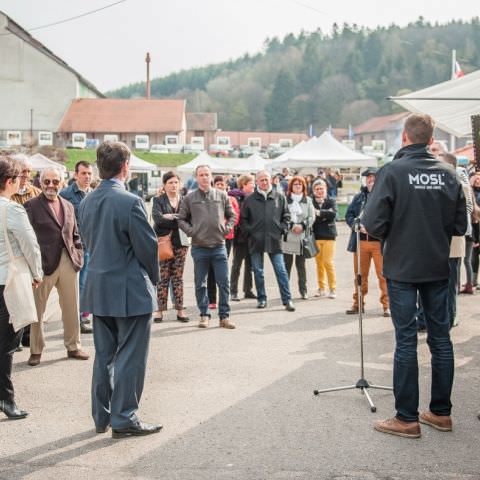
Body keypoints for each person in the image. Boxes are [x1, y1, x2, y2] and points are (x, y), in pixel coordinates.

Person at [363, 113, 467, 439]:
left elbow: (372, 224)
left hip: (403, 268)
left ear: (405, 137)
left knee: (406, 341)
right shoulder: (450, 174)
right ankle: (440, 413)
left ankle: (406, 418)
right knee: (441, 339)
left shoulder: (393, 172)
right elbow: (460, 226)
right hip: (438, 266)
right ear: (431, 139)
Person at [78, 141, 162, 438]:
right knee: (130, 356)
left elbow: (89, 242)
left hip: (99, 287)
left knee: (104, 355)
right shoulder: (129, 201)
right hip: (129, 288)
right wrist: (153, 280)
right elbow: (147, 248)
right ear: (125, 166)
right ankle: (124, 417)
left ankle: (102, 416)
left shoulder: (87, 201)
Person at [25, 168, 89, 366]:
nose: (51, 185)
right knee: (38, 310)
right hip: (43, 265)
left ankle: (73, 346)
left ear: (61, 183)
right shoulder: (31, 206)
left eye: (55, 181)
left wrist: (78, 255)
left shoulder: (68, 205)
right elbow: (27, 238)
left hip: (68, 261)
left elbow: (75, 233)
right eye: (47, 181)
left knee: (72, 307)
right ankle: (36, 350)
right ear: (40, 183)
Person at [0, 156, 43, 419]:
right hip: (9, 281)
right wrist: (37, 273)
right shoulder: (12, 209)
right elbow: (30, 245)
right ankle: (5, 398)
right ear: (10, 181)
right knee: (7, 343)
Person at [178, 165, 236, 329]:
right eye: (201, 175)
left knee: (224, 283)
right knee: (200, 284)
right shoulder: (189, 198)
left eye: (207, 174)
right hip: (199, 247)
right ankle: (204, 315)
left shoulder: (222, 195)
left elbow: (232, 215)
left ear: (211, 176)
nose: (204, 177)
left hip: (219, 246)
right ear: (196, 177)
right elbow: (181, 219)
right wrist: (191, 232)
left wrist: (226, 229)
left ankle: (224, 317)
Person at [241, 170, 295, 311]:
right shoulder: (249, 199)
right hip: (256, 241)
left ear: (271, 180)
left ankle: (287, 299)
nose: (264, 182)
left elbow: (287, 217)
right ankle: (262, 299)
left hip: (274, 240)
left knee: (281, 270)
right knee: (258, 271)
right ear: (257, 182)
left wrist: (282, 229)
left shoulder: (279, 197)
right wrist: (251, 232)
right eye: (261, 180)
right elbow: (243, 220)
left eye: (266, 179)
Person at [345, 167, 390, 316]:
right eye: (368, 178)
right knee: (359, 275)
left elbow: (389, 218)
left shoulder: (385, 196)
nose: (370, 180)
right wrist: (356, 225)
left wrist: (375, 227)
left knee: (383, 276)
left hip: (378, 243)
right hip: (361, 242)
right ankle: (358, 303)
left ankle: (387, 306)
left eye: (373, 177)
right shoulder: (359, 197)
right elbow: (349, 215)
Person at [10, 158, 42, 349]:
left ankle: (27, 335)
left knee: (30, 294)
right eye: (22, 172)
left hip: (30, 249)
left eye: (29, 172)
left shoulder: (36, 193)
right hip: (12, 251)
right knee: (14, 295)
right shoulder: (7, 194)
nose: (26, 176)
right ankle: (14, 334)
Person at [60, 160, 94, 334]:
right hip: (74, 248)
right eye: (84, 173)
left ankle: (84, 317)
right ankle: (77, 320)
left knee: (88, 283)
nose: (87, 176)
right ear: (75, 175)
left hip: (92, 246)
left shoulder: (94, 194)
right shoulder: (65, 194)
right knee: (76, 285)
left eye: (89, 173)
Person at [152, 171, 189, 323]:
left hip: (181, 243)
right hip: (163, 243)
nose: (173, 185)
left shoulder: (186, 200)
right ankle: (159, 311)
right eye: (170, 183)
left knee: (178, 278)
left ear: (180, 184)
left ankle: (180, 309)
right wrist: (178, 219)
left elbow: (189, 220)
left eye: (176, 182)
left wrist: (171, 217)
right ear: (164, 185)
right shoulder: (158, 200)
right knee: (163, 277)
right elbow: (158, 219)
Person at [206, 175, 240, 308]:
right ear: (213, 185)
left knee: (222, 269)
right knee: (211, 269)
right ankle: (211, 299)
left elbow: (235, 218)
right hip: (211, 238)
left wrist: (223, 226)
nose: (220, 186)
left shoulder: (232, 200)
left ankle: (223, 298)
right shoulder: (208, 198)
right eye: (217, 184)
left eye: (222, 184)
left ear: (226, 186)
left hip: (226, 237)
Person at [282, 176, 315, 299]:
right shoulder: (285, 200)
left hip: (302, 237)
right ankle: (285, 292)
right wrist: (291, 225)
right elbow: (282, 216)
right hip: (289, 237)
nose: (297, 186)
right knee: (286, 266)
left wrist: (302, 225)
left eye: (300, 184)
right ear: (291, 187)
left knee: (301, 266)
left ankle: (303, 291)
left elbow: (311, 217)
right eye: (295, 184)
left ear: (303, 187)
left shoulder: (308, 200)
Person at [229, 174, 256, 301]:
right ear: (244, 184)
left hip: (252, 236)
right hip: (240, 236)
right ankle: (233, 291)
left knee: (250, 265)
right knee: (237, 264)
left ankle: (248, 290)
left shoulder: (254, 198)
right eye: (251, 183)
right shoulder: (236, 198)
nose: (254, 185)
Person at [310, 178, 337, 298]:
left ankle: (332, 288)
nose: (319, 191)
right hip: (316, 236)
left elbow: (333, 214)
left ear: (325, 189)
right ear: (313, 190)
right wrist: (326, 214)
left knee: (328, 262)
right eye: (317, 189)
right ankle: (321, 288)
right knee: (319, 264)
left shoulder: (331, 201)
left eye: (321, 188)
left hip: (329, 236)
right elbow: (310, 215)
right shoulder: (310, 201)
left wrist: (319, 213)